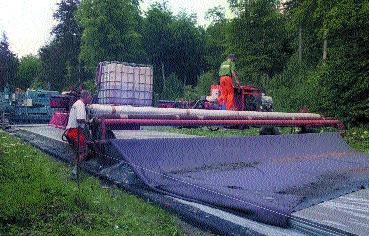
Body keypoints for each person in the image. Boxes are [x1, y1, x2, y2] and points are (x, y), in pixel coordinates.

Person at [64, 90, 92, 178]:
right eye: (90, 97)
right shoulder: (80, 105)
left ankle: (77, 170)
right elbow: (79, 119)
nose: (91, 98)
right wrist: (89, 121)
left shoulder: (77, 104)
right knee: (83, 152)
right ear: (86, 96)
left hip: (70, 131)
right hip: (75, 131)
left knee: (78, 153)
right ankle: (74, 173)